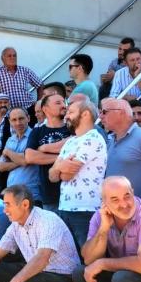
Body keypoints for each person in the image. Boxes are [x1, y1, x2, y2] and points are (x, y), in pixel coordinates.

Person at [49, 99, 107, 250]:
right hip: (66, 208)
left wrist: (59, 168)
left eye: (71, 112)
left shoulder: (93, 138)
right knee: (72, 258)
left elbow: (66, 175)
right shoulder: (70, 142)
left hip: (86, 211)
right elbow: (52, 176)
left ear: (86, 114)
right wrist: (61, 168)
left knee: (88, 259)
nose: (66, 116)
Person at [100, 98, 141, 195]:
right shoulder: (110, 141)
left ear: (121, 112)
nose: (100, 116)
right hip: (115, 206)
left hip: (139, 207)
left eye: (104, 112)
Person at [25, 94, 71, 212]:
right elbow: (30, 157)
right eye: (58, 103)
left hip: (72, 193)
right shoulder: (37, 131)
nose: (63, 105)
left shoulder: (72, 128)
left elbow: (73, 147)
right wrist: (61, 156)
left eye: (63, 102)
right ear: (45, 109)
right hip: (49, 195)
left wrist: (43, 149)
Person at [0, 107, 40, 204]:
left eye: (21, 118)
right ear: (10, 121)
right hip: (12, 193)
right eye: (14, 120)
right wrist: (23, 159)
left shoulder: (35, 136)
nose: (18, 123)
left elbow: (27, 160)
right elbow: (1, 166)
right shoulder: (10, 140)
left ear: (28, 118)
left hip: (30, 193)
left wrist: (8, 152)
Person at [109, 48, 141, 124]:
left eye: (138, 59)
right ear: (125, 63)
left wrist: (138, 77)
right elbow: (113, 96)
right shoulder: (119, 73)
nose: (136, 62)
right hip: (129, 105)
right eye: (132, 60)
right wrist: (126, 97)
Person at [0, 47, 42, 112]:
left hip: (28, 110)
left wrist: (38, 104)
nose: (12, 58)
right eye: (9, 56)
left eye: (14, 55)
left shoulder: (25, 71)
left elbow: (40, 85)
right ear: (2, 59)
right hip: (7, 113)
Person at [99, 37, 135, 101]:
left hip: (129, 91)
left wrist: (115, 75)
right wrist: (105, 79)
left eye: (125, 50)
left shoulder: (134, 63)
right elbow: (109, 76)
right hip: (116, 90)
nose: (120, 52)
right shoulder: (114, 62)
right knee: (104, 87)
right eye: (120, 49)